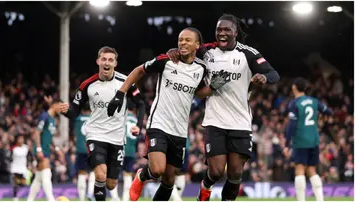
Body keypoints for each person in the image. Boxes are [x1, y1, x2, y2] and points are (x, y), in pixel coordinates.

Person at [107, 27, 230, 201]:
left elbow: (198, 93)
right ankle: (142, 175)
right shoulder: (167, 60)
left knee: (169, 180)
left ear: (197, 45)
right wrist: (120, 93)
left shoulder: (201, 68)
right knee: (157, 170)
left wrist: (212, 88)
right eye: (180, 39)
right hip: (159, 124)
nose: (182, 43)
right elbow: (139, 70)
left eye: (187, 40)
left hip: (179, 130)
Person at [167, 14, 280, 201]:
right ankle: (206, 186)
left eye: (227, 29)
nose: (222, 33)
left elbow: (273, 73)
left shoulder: (248, 53)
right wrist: (174, 50)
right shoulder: (208, 51)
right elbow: (186, 50)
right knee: (217, 171)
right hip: (215, 121)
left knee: (235, 173)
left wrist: (264, 78)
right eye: (219, 29)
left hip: (241, 122)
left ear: (235, 32)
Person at [59, 46, 146, 201]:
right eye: (104, 59)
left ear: (115, 63)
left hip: (117, 138)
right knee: (100, 173)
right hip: (96, 134)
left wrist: (139, 126)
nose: (107, 62)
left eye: (110, 60)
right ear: (98, 61)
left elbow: (141, 104)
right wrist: (66, 110)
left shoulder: (125, 82)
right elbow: (75, 112)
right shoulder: (87, 85)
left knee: (111, 184)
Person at [283, 77, 332, 201]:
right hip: (314, 140)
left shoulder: (294, 104)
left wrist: (287, 144)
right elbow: (329, 111)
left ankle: (301, 200)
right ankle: (320, 199)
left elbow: (292, 125)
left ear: (294, 87)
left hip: (300, 140)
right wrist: (322, 120)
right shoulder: (314, 101)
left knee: (299, 169)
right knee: (312, 170)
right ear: (305, 88)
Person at [27, 98, 63, 202]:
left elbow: (50, 137)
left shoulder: (53, 119)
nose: (62, 109)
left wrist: (56, 149)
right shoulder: (44, 116)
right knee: (47, 173)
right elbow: (37, 132)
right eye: (60, 106)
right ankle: (51, 199)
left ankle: (29, 200)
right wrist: (38, 149)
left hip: (46, 149)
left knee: (39, 177)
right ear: (54, 105)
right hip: (41, 149)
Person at [74, 104, 96, 201]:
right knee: (93, 172)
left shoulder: (77, 120)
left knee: (81, 174)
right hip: (92, 149)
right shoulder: (95, 119)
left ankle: (82, 199)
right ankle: (90, 193)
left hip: (80, 150)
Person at [121, 100, 142, 201]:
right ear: (134, 109)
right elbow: (138, 138)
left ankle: (116, 197)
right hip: (131, 151)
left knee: (113, 174)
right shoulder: (136, 121)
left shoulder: (121, 118)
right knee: (128, 175)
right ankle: (126, 198)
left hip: (120, 149)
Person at [10, 134, 28, 201]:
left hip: (23, 168)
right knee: (15, 183)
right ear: (17, 140)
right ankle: (15, 197)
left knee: (23, 183)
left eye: (22, 138)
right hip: (15, 167)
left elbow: (28, 156)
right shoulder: (14, 148)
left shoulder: (26, 147)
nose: (21, 140)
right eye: (20, 139)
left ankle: (20, 193)